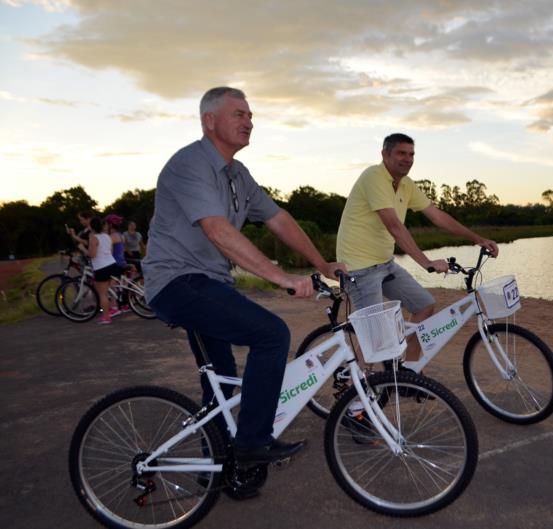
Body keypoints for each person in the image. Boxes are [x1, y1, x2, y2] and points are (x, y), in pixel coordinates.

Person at [143, 86, 344, 471]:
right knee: (271, 334)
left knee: (220, 382)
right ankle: (252, 443)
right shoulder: (190, 164)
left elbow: (278, 219)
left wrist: (321, 264)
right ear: (209, 121)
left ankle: (223, 470)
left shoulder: (239, 175)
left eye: (251, 115)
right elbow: (217, 230)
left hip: (208, 284)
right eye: (239, 114)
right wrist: (280, 277)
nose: (249, 122)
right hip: (178, 282)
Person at [336, 132, 499, 365]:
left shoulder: (406, 185)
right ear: (385, 154)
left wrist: (477, 238)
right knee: (375, 334)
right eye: (401, 153)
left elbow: (438, 216)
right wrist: (427, 262)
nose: (408, 159)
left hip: (384, 262)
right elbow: (394, 226)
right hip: (359, 267)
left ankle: (409, 370)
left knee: (424, 305)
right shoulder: (374, 177)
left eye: (411, 154)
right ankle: (354, 392)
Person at [79, 217, 118, 324]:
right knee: (109, 290)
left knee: (102, 294)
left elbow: (92, 255)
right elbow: (110, 251)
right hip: (112, 264)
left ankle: (106, 318)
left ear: (91, 226)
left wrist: (83, 249)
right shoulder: (107, 236)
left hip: (101, 267)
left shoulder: (93, 237)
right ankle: (112, 308)